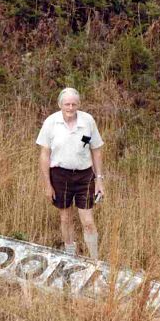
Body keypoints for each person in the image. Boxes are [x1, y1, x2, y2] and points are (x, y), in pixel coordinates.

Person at [36, 87, 105, 258]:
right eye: (67, 104)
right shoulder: (51, 122)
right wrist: (47, 185)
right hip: (60, 176)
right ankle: (70, 255)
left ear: (79, 104)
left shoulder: (87, 121)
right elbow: (45, 154)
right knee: (65, 218)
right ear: (60, 105)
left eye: (74, 104)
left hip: (84, 176)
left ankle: (94, 259)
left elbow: (96, 150)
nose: (70, 108)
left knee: (88, 222)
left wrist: (99, 180)